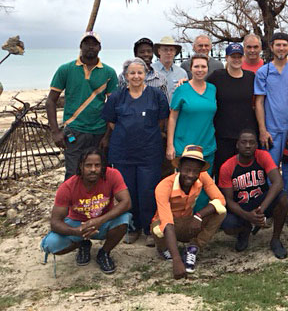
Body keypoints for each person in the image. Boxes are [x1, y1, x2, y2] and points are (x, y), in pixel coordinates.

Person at [102, 58, 169, 246]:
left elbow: (161, 121)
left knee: (148, 191)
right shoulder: (116, 97)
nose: (136, 76)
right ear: (125, 76)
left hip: (149, 152)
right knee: (127, 192)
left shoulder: (156, 95)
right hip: (123, 153)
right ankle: (132, 228)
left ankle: (149, 229)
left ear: (146, 75)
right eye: (132, 73)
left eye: (140, 72)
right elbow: (112, 122)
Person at [40, 148, 132, 274]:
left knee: (124, 219)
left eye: (97, 165)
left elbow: (126, 202)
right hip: (77, 223)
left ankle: (104, 253)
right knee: (51, 245)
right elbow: (55, 222)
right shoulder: (67, 187)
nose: (93, 169)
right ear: (81, 166)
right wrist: (77, 232)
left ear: (103, 166)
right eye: (88, 165)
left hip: (103, 222)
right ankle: (83, 244)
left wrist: (100, 220)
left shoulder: (113, 174)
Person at [46, 31, 118, 180]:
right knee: (73, 174)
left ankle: (97, 203)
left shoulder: (109, 72)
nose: (90, 47)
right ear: (81, 46)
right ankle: (72, 204)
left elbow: (113, 107)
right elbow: (51, 101)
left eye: (94, 44)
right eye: (87, 43)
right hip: (74, 131)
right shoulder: (66, 69)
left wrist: (108, 136)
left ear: (100, 47)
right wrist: (55, 132)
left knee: (99, 173)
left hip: (99, 132)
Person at [151, 145, 226, 278]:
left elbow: (220, 199)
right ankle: (165, 249)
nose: (191, 175)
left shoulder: (202, 176)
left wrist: (199, 216)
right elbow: (167, 223)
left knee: (221, 211)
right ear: (179, 168)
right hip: (166, 226)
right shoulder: (164, 186)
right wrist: (177, 261)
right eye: (187, 170)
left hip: (188, 222)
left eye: (195, 171)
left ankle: (193, 249)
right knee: (158, 228)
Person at [219, 130, 288, 259]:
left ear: (256, 145)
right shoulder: (227, 166)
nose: (247, 146)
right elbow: (227, 200)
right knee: (227, 225)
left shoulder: (262, 156)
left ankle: (275, 240)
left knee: (283, 198)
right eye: (244, 142)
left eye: (251, 142)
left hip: (261, 203)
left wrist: (261, 210)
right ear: (237, 145)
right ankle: (245, 229)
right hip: (242, 207)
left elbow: (278, 182)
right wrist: (247, 216)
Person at [254, 32, 288, 203]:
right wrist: (262, 130)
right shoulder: (264, 71)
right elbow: (259, 102)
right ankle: (271, 206)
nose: (281, 48)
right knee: (270, 169)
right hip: (271, 131)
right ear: (271, 47)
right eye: (278, 45)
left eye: (284, 45)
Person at [167, 53, 217, 211]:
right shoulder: (182, 90)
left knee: (203, 187)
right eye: (196, 66)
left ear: (208, 69)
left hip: (206, 146)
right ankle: (182, 221)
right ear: (190, 69)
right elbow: (173, 117)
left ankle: (199, 222)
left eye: (203, 66)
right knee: (183, 187)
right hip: (184, 147)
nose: (200, 70)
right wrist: (170, 145)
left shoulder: (212, 89)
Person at [207, 43, 258, 179]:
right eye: (233, 56)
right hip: (223, 135)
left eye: (239, 56)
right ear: (226, 57)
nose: (236, 59)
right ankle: (222, 200)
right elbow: (200, 86)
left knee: (244, 175)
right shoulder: (217, 77)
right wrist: (184, 82)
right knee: (223, 172)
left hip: (246, 135)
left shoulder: (251, 77)